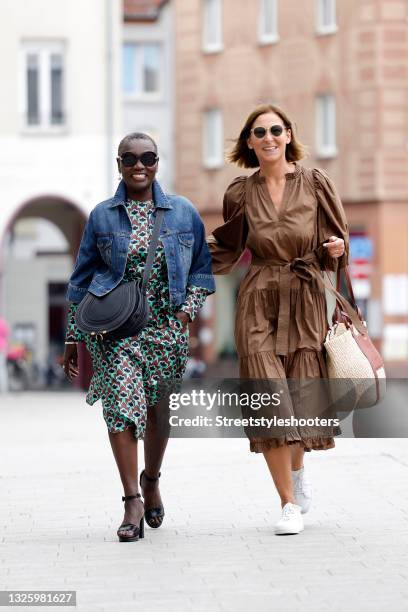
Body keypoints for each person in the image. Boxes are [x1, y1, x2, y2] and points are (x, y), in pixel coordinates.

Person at [63, 132, 215, 542]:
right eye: (129, 158)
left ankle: (151, 480)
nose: (138, 165)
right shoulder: (102, 215)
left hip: (167, 330)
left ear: (158, 161)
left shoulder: (183, 213)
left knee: (157, 415)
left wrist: (186, 312)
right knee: (120, 407)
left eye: (147, 157)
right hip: (117, 332)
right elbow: (80, 280)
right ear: (119, 164)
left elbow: (202, 269)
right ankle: (131, 499)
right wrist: (72, 338)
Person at [207, 104, 348, 535]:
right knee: (270, 397)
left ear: (288, 135)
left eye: (275, 130)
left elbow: (332, 243)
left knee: (302, 400)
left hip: (304, 296)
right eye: (258, 132)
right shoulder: (239, 192)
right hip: (258, 297)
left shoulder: (316, 183)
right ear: (249, 142)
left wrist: (335, 249)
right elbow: (227, 245)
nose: (268, 137)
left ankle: (298, 473)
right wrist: (175, 262)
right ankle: (287, 503)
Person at [0, 317, 9, 393]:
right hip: (2, 347)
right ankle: (4, 389)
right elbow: (6, 334)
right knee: (2, 368)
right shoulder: (2, 321)